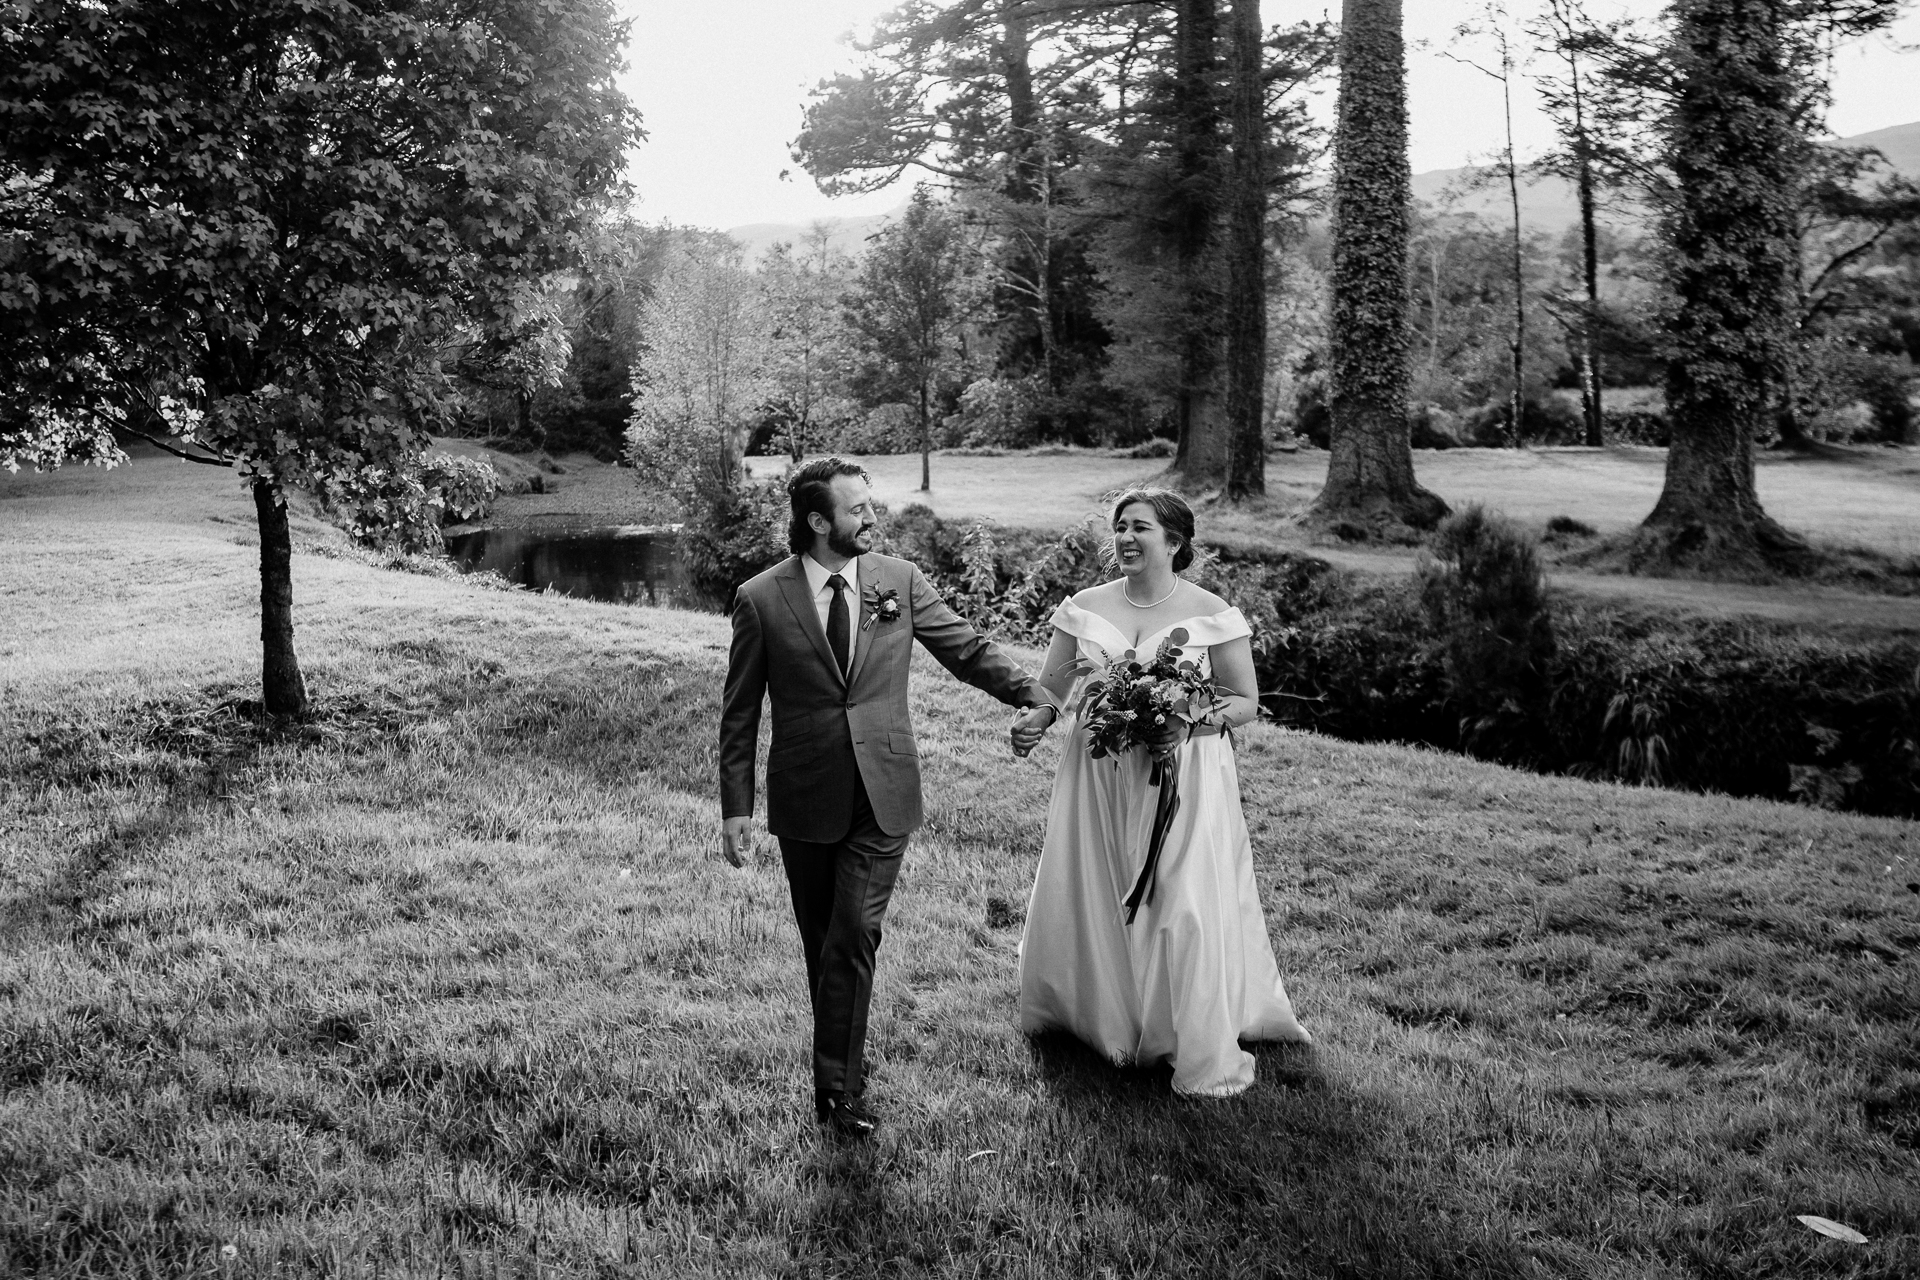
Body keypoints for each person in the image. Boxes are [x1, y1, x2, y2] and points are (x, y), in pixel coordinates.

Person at [720, 458, 1056, 1139]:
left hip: (884, 793)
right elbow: (740, 713)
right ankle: (843, 1064)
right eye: (856, 510)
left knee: (851, 933)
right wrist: (736, 808)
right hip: (805, 796)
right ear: (818, 522)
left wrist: (1033, 694)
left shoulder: (899, 581)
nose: (872, 518)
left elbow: (966, 649)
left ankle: (835, 1094)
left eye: (870, 506)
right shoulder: (760, 598)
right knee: (824, 946)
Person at [1007, 487, 1310, 1097]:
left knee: (1183, 899)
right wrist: (1033, 722)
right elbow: (1053, 689)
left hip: (1185, 777)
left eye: (1139, 528)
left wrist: (1187, 718)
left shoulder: (1211, 612)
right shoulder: (1084, 607)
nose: (1124, 537)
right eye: (1119, 526)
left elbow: (1246, 702)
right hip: (1098, 774)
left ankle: (1185, 1029)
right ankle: (1104, 1017)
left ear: (1174, 542)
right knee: (1097, 884)